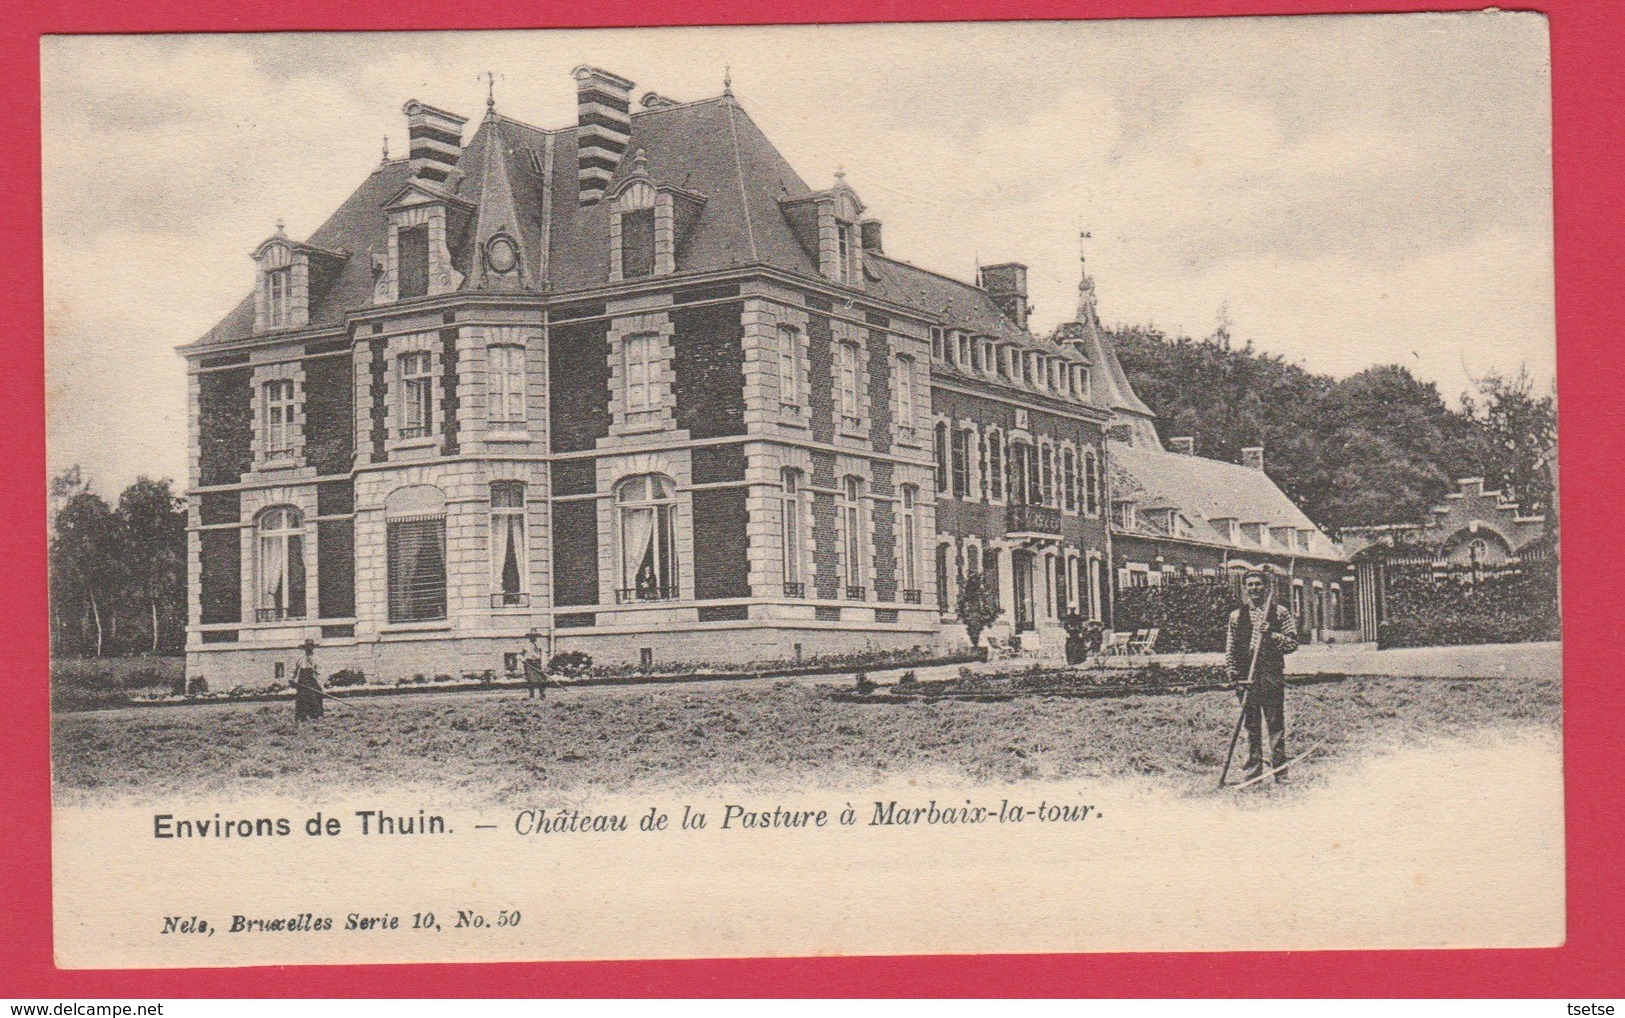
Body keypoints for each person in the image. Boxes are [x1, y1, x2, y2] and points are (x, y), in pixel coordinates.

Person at [1226, 569, 1299, 782]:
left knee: (1275, 725)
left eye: (1258, 584)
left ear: (1265, 587)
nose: (1255, 588)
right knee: (1251, 726)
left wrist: (1272, 634)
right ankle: (1253, 771)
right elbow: (1230, 647)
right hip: (1246, 677)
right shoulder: (1236, 616)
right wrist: (1232, 672)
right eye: (1250, 585)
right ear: (1245, 588)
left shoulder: (1279, 613)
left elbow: (1293, 643)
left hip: (1271, 675)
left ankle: (1280, 772)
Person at [292, 639, 324, 722]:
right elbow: (294, 671)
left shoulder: (317, 659)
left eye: (310, 647)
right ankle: (302, 717)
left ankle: (315, 716)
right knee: (302, 699)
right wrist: (291, 679)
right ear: (304, 649)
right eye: (307, 648)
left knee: (314, 698)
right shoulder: (300, 659)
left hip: (312, 682)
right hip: (302, 682)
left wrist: (320, 685)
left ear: (313, 648)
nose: (308, 649)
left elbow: (319, 673)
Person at [520, 630, 550, 700]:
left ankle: (542, 694)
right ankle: (531, 695)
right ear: (530, 637)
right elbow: (519, 655)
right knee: (531, 680)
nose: (535, 638)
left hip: (537, 663)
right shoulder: (525, 645)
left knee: (542, 679)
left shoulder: (537, 645)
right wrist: (524, 660)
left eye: (536, 636)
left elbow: (541, 655)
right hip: (529, 664)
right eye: (533, 636)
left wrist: (542, 663)